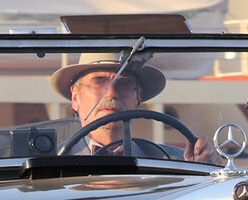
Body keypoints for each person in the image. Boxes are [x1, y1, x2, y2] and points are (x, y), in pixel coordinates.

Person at [50, 52, 220, 163]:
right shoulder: (46, 165)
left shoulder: (177, 162)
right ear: (75, 97)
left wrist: (210, 170)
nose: (111, 93)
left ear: (138, 100)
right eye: (99, 81)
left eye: (123, 83)